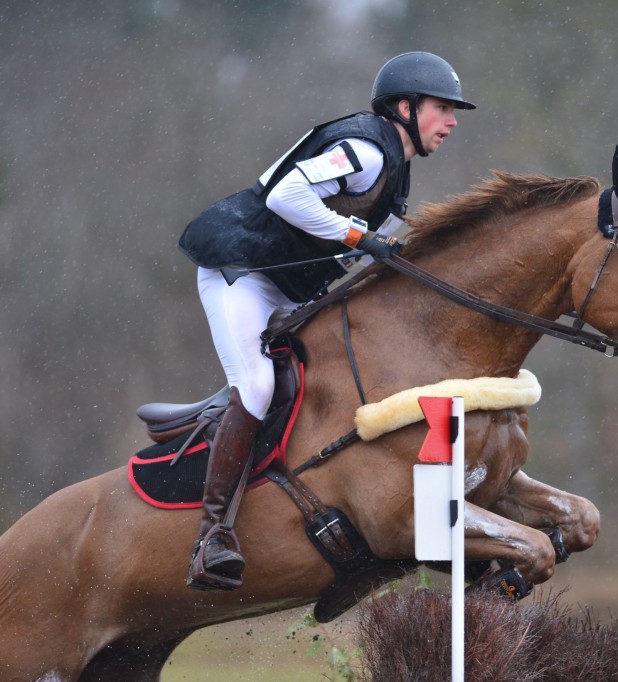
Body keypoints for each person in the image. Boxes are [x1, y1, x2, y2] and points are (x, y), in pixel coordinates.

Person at [177, 51, 475, 591]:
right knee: (259, 384)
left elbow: (349, 241)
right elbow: (287, 195)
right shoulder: (365, 150)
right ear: (404, 107)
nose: (452, 121)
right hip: (239, 273)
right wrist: (362, 239)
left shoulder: (395, 168)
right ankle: (211, 535)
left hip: (286, 286)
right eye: (442, 108)